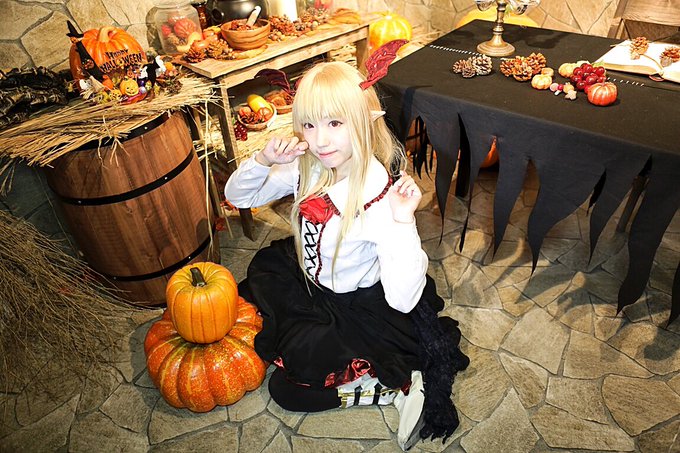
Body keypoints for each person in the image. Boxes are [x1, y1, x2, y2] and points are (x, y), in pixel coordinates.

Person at [225, 61, 469, 450]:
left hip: (355, 304)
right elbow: (239, 196)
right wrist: (263, 161)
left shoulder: (378, 197)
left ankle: (384, 390)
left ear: (364, 120)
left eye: (335, 123)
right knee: (259, 282)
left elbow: (404, 298)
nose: (320, 140)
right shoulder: (309, 164)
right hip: (308, 278)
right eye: (309, 124)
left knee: (286, 390)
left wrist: (403, 221)